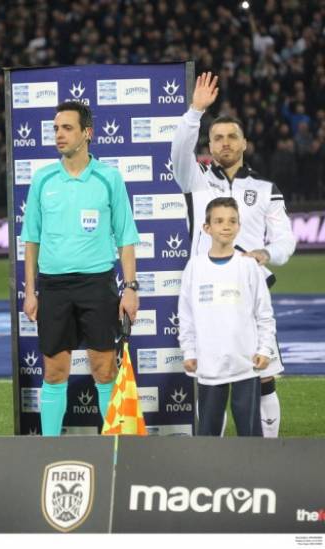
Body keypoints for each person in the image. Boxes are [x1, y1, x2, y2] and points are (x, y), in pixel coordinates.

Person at [171, 72, 296, 437]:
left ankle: (266, 453)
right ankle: (216, 454)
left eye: (231, 136)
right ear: (209, 144)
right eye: (217, 137)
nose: (225, 143)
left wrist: (265, 253)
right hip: (207, 293)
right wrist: (195, 112)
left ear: (245, 143)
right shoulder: (195, 180)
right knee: (212, 379)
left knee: (263, 375)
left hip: (249, 290)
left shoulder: (265, 188)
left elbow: (286, 240)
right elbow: (178, 153)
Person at [21, 101, 140, 436]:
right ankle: (50, 448)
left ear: (87, 133)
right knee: (54, 371)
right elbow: (31, 239)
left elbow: (126, 238)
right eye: (56, 128)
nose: (59, 134)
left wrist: (130, 288)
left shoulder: (108, 178)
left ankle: (114, 448)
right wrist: (30, 291)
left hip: (97, 285)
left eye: (67, 128)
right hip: (53, 287)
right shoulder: (43, 179)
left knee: (104, 369)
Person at [178, 197, 275, 437]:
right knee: (208, 433)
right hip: (209, 362)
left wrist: (264, 349)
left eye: (232, 221)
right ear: (206, 227)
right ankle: (210, 464)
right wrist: (189, 351)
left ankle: (253, 463)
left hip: (246, 361)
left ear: (239, 226)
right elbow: (186, 313)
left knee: (250, 433)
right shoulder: (195, 266)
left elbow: (264, 312)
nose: (226, 226)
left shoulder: (249, 266)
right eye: (219, 221)